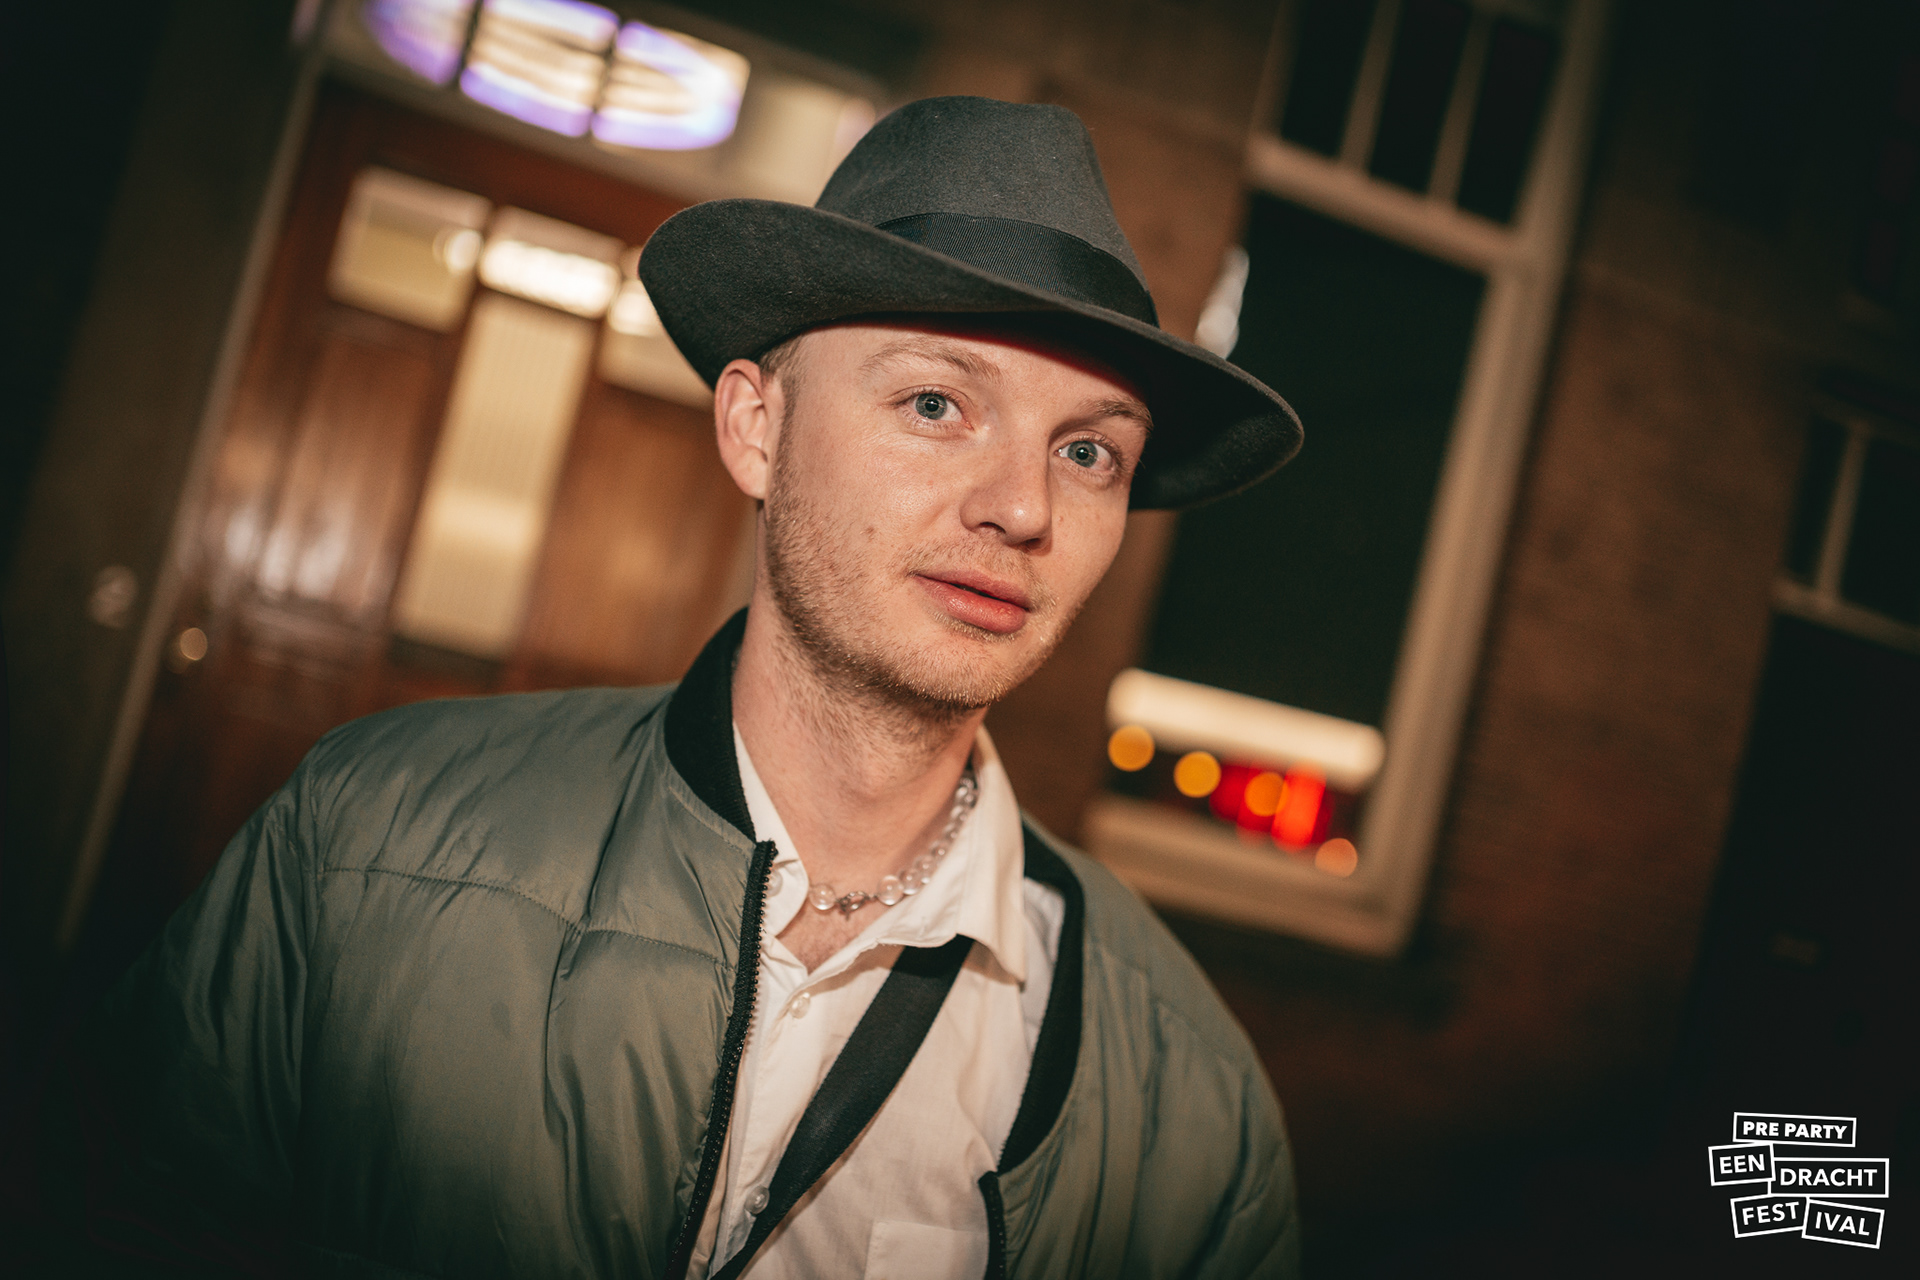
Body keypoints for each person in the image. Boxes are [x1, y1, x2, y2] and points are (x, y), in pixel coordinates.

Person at [45, 96, 1304, 1277]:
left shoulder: (1187, 1105)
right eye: (935, 402)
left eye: (1088, 451)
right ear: (756, 427)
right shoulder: (368, 841)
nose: (1024, 506)